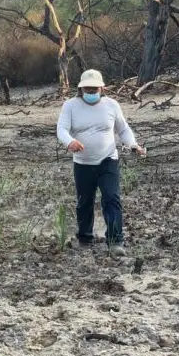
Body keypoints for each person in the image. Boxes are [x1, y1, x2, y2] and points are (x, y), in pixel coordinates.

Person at [56, 69, 146, 256]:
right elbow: (62, 129)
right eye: (87, 89)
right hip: (82, 163)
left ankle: (115, 241)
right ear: (80, 89)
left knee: (112, 198)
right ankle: (85, 238)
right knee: (84, 201)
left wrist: (133, 145)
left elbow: (123, 129)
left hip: (108, 160)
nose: (91, 93)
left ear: (102, 88)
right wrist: (70, 142)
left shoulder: (112, 105)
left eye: (94, 89)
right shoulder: (70, 106)